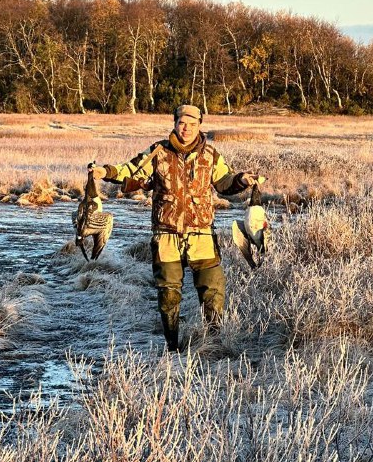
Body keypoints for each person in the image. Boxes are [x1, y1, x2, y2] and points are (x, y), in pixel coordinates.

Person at [91, 105, 260, 351]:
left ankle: (213, 342)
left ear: (200, 125)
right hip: (166, 235)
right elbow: (130, 170)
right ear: (174, 123)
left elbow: (224, 183)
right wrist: (104, 171)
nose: (187, 128)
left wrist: (242, 180)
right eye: (182, 123)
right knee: (168, 294)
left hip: (201, 234)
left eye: (192, 124)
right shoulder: (158, 152)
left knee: (213, 289)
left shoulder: (210, 155)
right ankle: (172, 346)